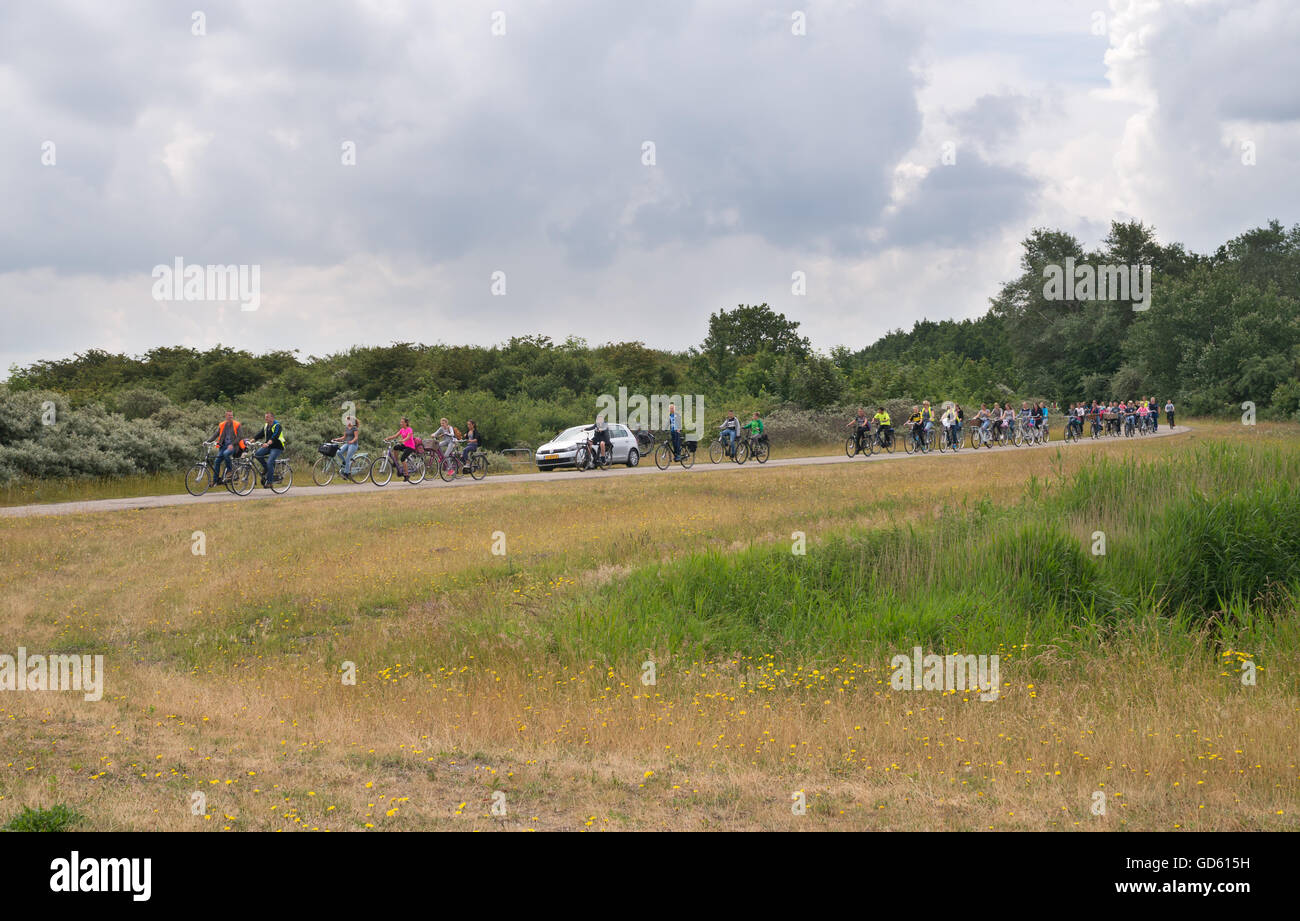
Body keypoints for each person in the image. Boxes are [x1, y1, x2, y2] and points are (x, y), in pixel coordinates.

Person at [208, 410, 246, 485]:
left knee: (226, 454)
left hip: (234, 446)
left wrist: (232, 444)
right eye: (229, 415)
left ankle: (230, 471)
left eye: (231, 415)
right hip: (223, 446)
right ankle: (215, 481)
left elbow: (240, 436)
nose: (230, 417)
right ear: (226, 416)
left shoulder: (237, 424)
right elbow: (215, 434)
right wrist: (207, 441)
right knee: (217, 461)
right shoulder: (222, 424)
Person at [253, 411, 285, 488]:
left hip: (277, 447)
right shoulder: (266, 426)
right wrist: (251, 440)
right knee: (257, 454)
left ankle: (270, 482)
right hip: (269, 446)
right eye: (265, 417)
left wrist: (267, 443)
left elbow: (274, 436)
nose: (265, 418)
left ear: (272, 418)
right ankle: (266, 468)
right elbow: (260, 434)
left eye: (267, 417)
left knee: (270, 462)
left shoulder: (277, 426)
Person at [386, 417, 418, 481]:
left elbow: (408, 437)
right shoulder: (402, 429)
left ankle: (407, 475)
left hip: (410, 447)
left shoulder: (409, 429)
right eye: (400, 422)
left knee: (403, 458)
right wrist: (388, 438)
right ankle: (396, 462)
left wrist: (403, 440)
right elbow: (395, 436)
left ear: (406, 423)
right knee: (395, 447)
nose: (401, 423)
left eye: (402, 422)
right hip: (405, 445)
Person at [333, 415, 360, 480]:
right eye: (347, 420)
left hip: (353, 445)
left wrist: (352, 441)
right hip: (347, 444)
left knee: (348, 458)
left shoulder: (354, 428)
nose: (347, 421)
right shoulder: (347, 427)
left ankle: (346, 473)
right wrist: (337, 439)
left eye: (348, 420)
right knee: (339, 452)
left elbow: (356, 437)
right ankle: (345, 462)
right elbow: (344, 437)